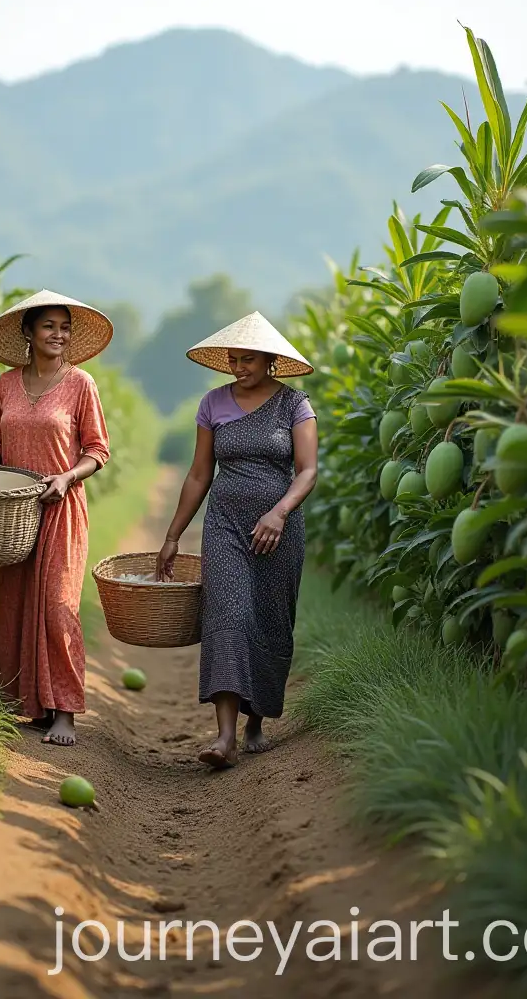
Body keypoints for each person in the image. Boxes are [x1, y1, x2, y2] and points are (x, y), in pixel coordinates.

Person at [156, 311, 318, 769]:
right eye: (233, 359)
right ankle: (224, 736)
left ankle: (255, 725)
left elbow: (307, 471)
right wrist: (173, 536)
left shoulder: (294, 405)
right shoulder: (213, 403)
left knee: (270, 620)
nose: (238, 367)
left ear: (270, 361)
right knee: (226, 614)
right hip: (225, 523)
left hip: (278, 529)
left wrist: (279, 513)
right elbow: (199, 474)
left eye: (248, 359)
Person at [0, 289, 113, 746]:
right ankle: (22, 704)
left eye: (65, 328)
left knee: (57, 606)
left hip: (62, 508)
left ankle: (64, 710)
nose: (59, 335)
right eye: (49, 326)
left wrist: (67, 476)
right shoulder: (6, 384)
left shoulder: (81, 384)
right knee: (14, 604)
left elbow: (98, 451)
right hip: (15, 511)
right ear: (28, 332)